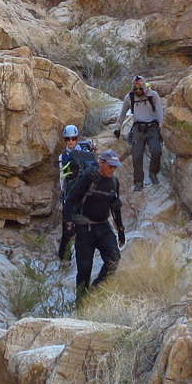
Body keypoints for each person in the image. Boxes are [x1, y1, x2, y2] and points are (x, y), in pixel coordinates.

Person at [62, 148, 125, 297]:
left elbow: (115, 207)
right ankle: (81, 303)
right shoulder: (88, 178)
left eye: (115, 167)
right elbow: (70, 200)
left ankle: (94, 293)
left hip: (103, 226)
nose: (113, 169)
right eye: (110, 166)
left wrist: (121, 230)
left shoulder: (114, 182)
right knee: (84, 269)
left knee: (114, 259)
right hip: (85, 228)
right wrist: (69, 224)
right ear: (101, 163)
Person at [115, 75, 164, 191]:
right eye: (135, 88)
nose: (138, 90)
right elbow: (122, 113)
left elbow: (159, 110)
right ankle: (138, 182)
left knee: (156, 151)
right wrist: (118, 127)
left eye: (140, 88)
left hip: (152, 127)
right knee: (136, 156)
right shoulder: (130, 97)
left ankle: (153, 173)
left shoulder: (153, 95)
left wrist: (161, 124)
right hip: (138, 129)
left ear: (144, 86)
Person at [55, 125, 95, 263]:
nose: (71, 141)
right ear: (65, 140)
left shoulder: (84, 151)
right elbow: (63, 177)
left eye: (73, 138)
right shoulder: (63, 156)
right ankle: (64, 258)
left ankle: (84, 257)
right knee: (67, 229)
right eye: (68, 139)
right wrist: (64, 195)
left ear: (77, 138)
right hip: (71, 193)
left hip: (84, 193)